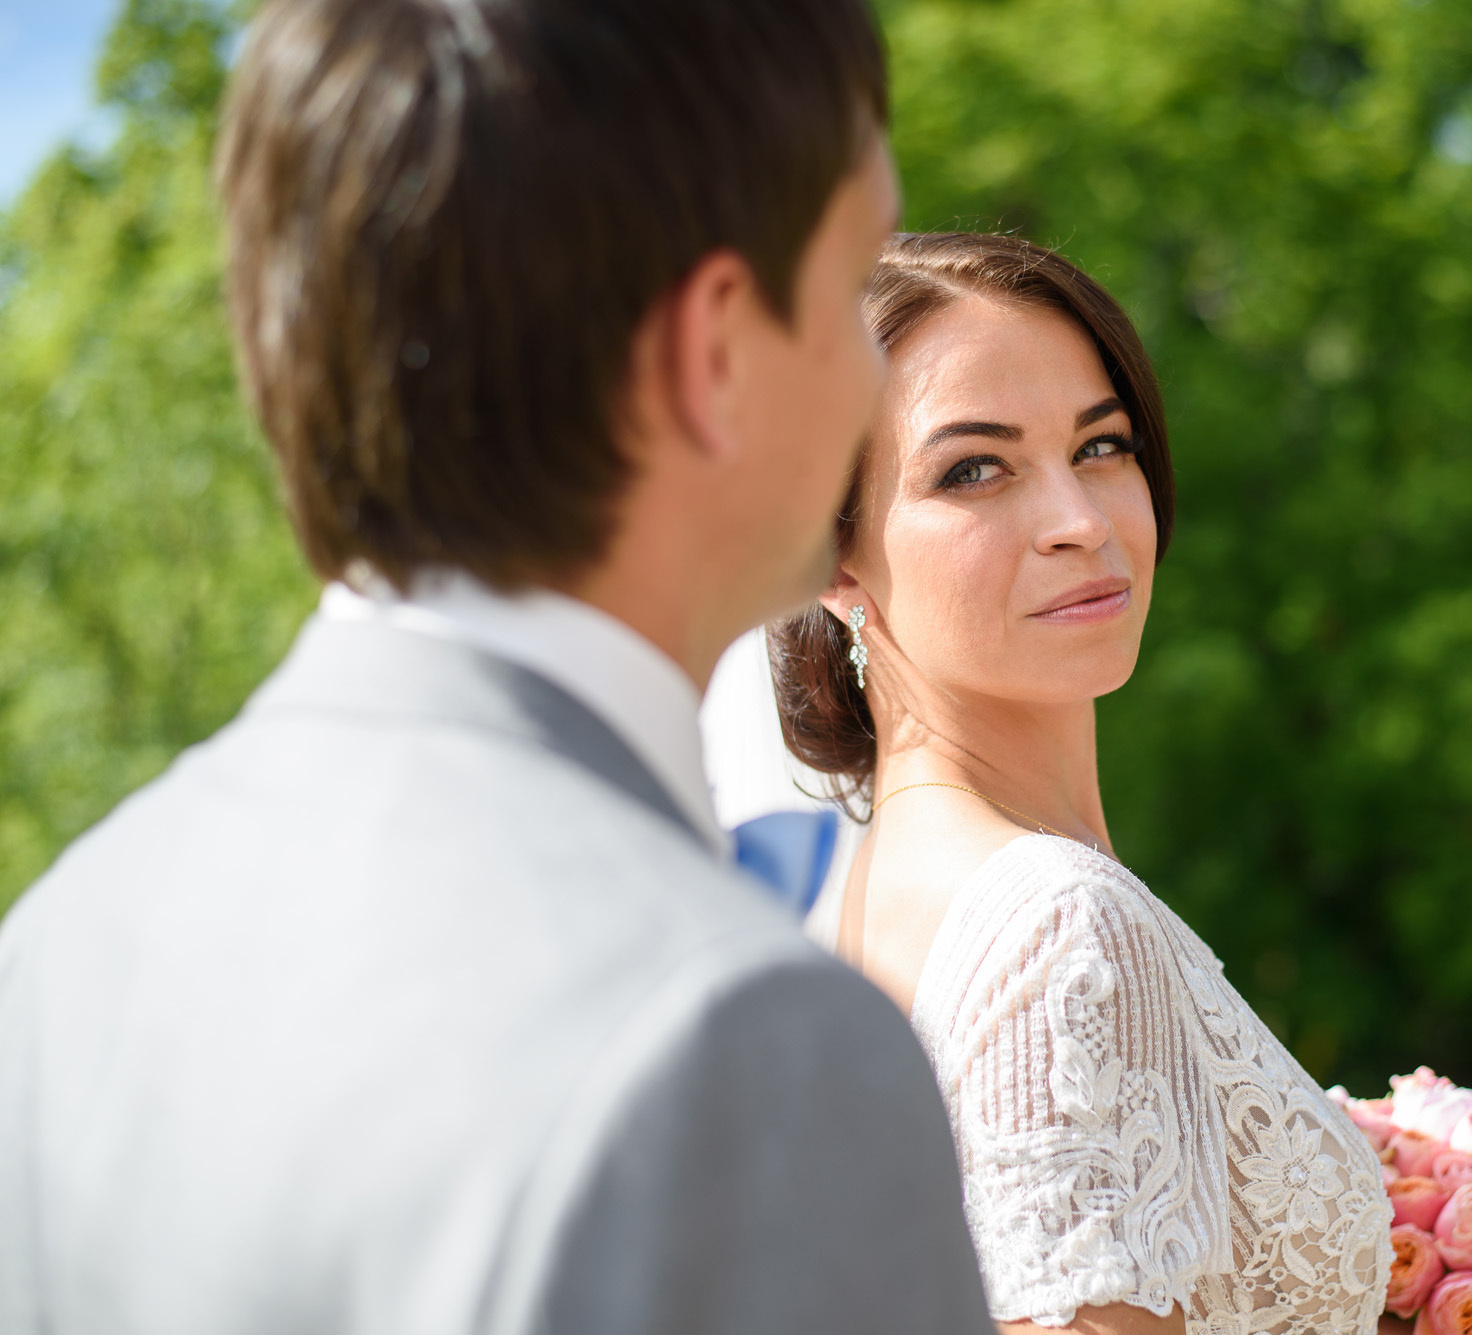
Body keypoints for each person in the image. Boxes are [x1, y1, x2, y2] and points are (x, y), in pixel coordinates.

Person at [0, 3, 991, 1333]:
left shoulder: (63, 943)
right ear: (714, 353)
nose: (878, 374)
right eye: (854, 282)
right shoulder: (738, 1046)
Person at [766, 232, 1395, 1335]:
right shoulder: (1056, 921)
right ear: (833, 555)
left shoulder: (873, 897)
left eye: (1100, 447)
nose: (1080, 522)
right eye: (974, 468)